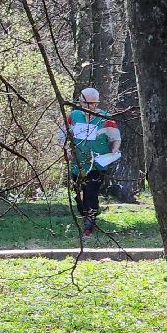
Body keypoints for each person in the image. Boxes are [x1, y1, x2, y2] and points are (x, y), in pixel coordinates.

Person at [57, 86, 121, 235]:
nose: (89, 107)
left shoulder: (106, 118)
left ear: (97, 103)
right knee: (78, 193)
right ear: (80, 103)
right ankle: (85, 214)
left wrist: (114, 149)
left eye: (92, 103)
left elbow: (116, 137)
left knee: (91, 192)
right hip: (77, 163)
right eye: (86, 103)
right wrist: (66, 148)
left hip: (97, 163)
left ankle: (89, 224)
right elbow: (62, 134)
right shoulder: (74, 116)